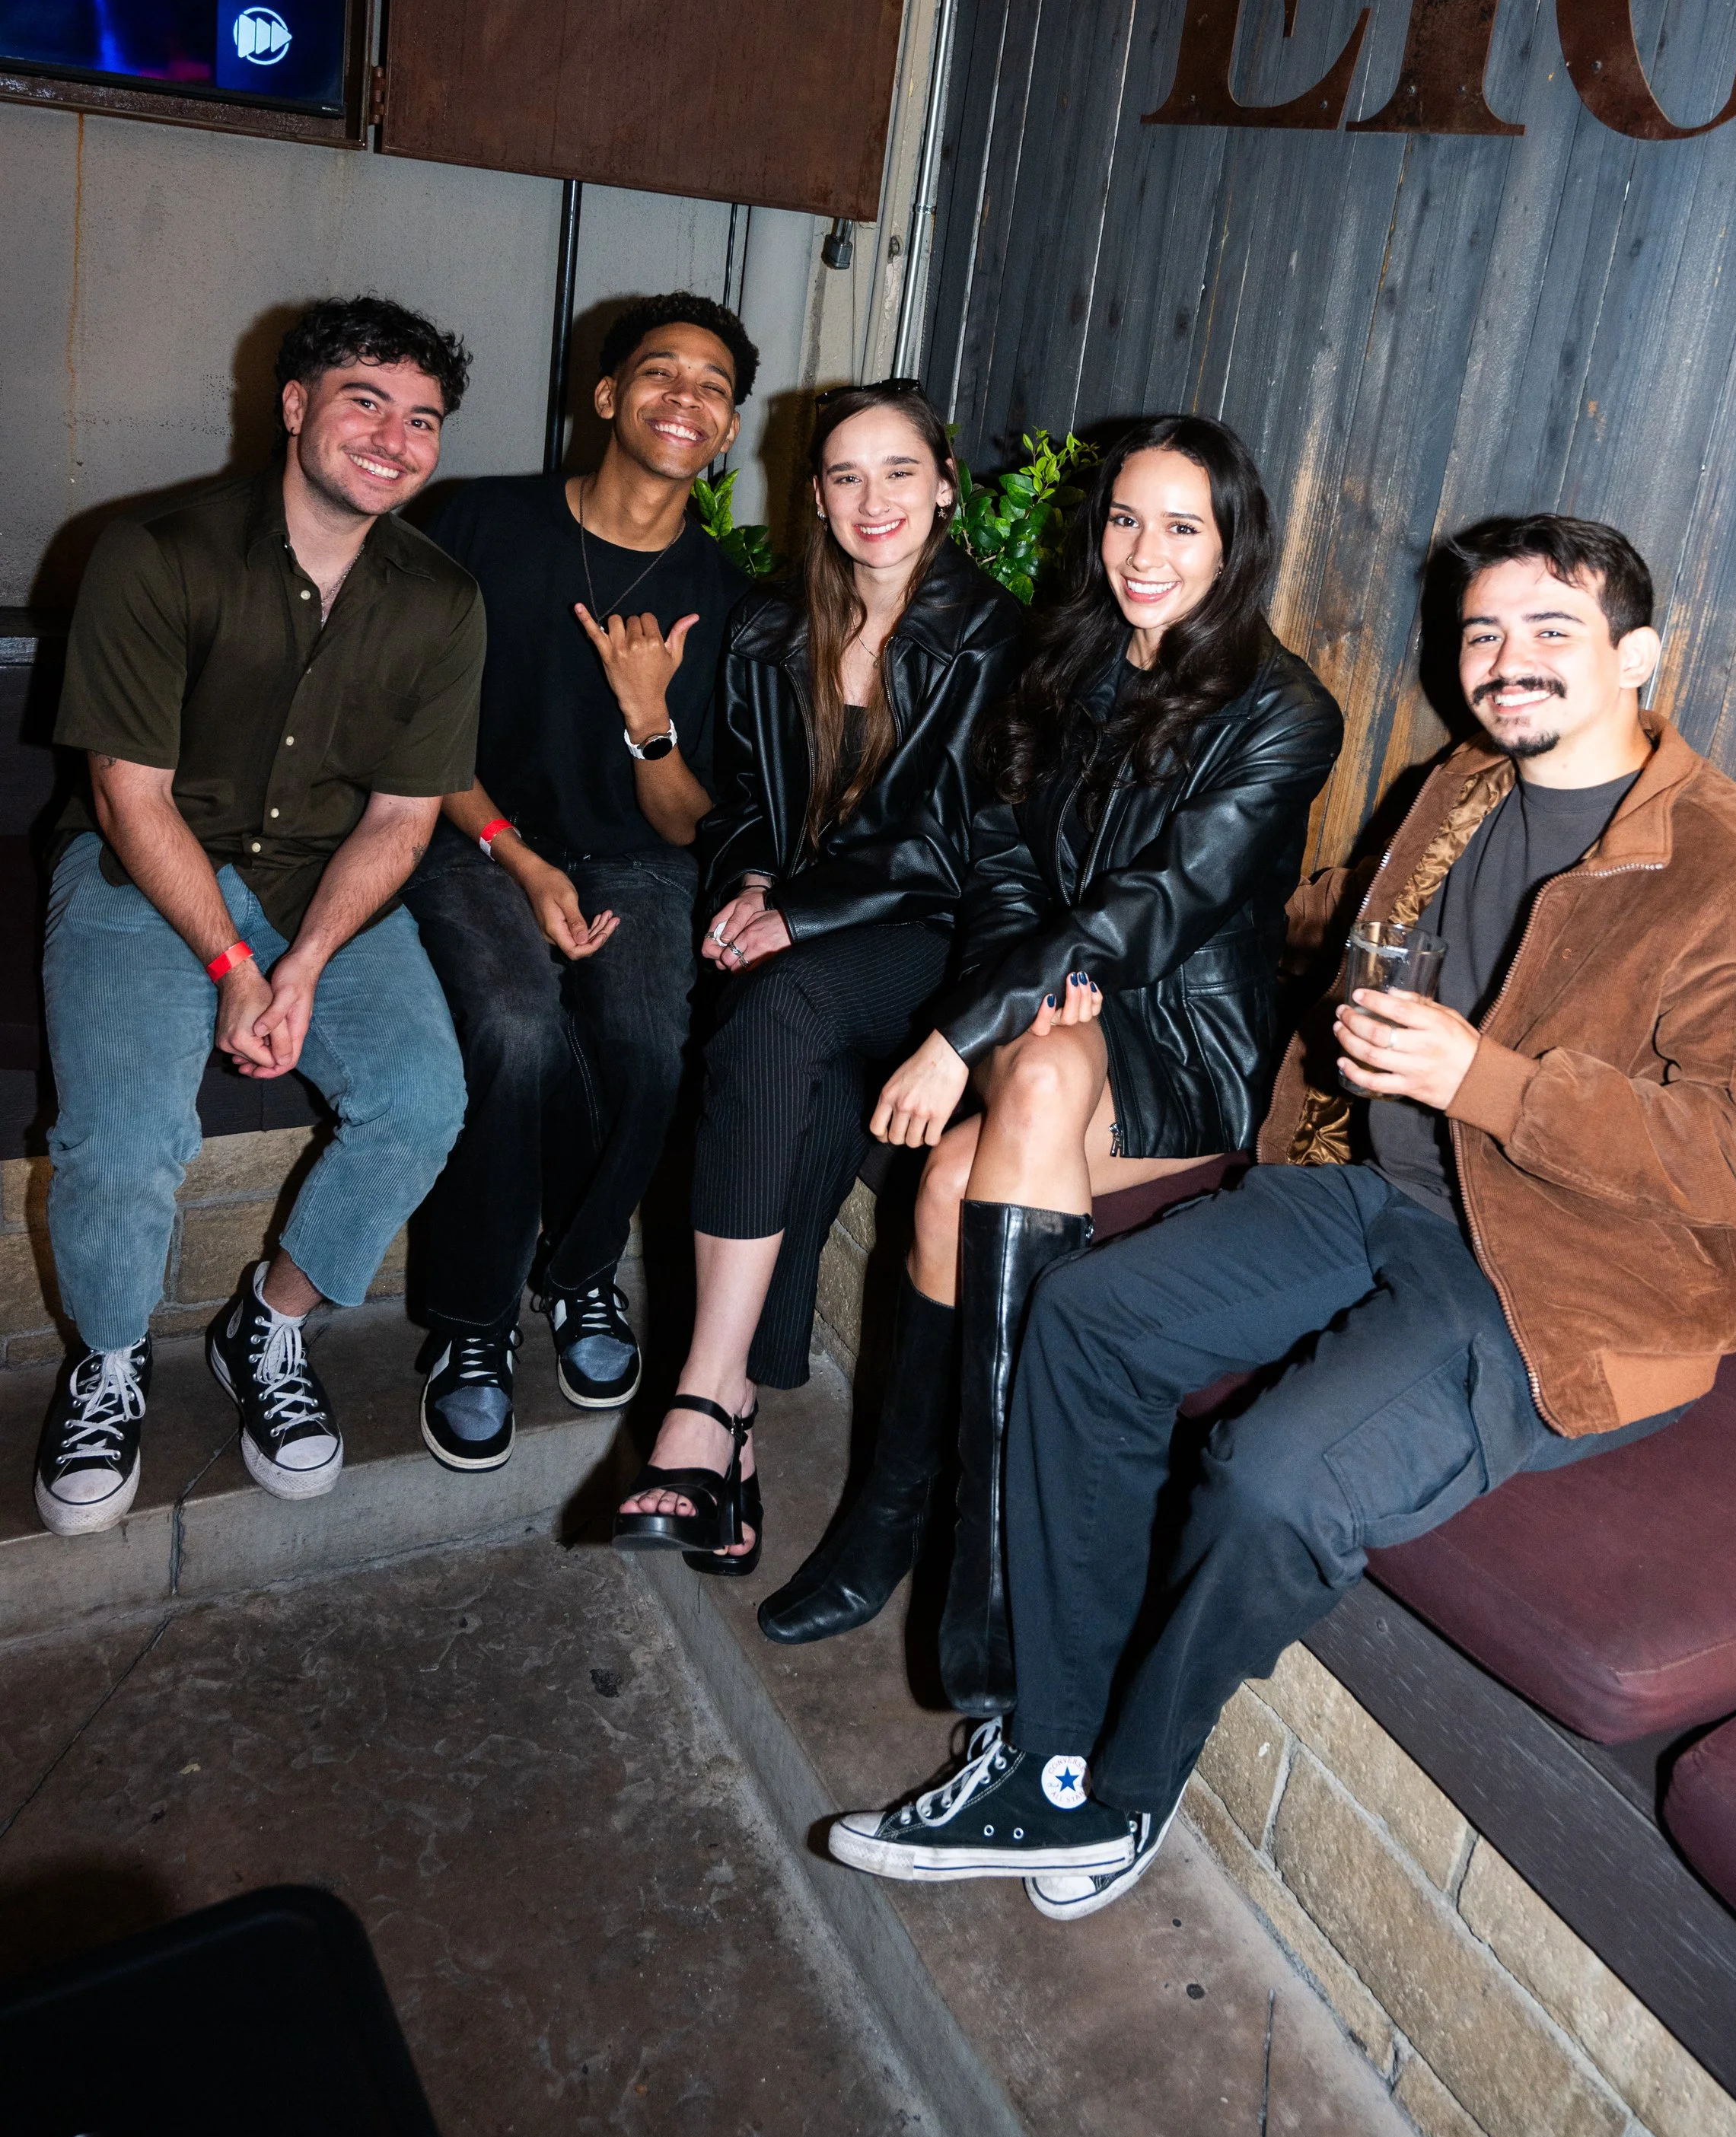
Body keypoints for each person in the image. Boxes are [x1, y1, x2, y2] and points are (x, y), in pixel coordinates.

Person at [823, 513, 1736, 1913]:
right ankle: (1049, 1754)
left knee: (1273, 1475)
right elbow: (1336, 926)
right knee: (1083, 1317)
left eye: (1552, 631)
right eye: (1485, 633)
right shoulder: (1467, 791)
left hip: (1573, 1276)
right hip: (1377, 1191)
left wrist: (1483, 1077)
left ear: (1639, 657)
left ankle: (1125, 1786)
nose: (1509, 660)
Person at [769, 416, 1343, 1690]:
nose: (1144, 551)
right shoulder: (1070, 655)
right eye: (1125, 519)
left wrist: (955, 1035)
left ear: (1234, 542)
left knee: (1010, 1095)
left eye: (1182, 526)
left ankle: (979, 1588)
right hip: (1053, 1008)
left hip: (1186, 1038)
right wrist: (1021, 994)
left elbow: (1160, 910)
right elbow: (1007, 855)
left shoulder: (1286, 711)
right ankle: (904, 1536)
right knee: (942, 1181)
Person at [33, 298, 483, 1537]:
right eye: (365, 401)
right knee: (125, 1141)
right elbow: (129, 796)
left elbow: (402, 817)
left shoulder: (443, 601)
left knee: (422, 1099)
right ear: (295, 406)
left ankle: (268, 1324)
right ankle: (109, 1363)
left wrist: (310, 963)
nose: (395, 437)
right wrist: (237, 966)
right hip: (144, 868)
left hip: (321, 880)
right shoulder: (157, 552)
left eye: (423, 419)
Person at [614, 381, 1022, 1575]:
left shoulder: (997, 638)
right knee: (800, 1065)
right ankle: (725, 1431)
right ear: (816, 498)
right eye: (845, 476)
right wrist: (749, 888)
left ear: (945, 485)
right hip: (808, 933)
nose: (872, 500)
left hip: (939, 936)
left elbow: (963, 841)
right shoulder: (769, 627)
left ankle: (702, 1396)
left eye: (899, 471)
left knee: (779, 1005)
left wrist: (793, 910)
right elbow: (744, 804)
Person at [404, 295, 758, 1470]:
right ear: (606, 397)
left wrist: (649, 716)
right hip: (474, 833)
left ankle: (581, 1271)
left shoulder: (728, 595)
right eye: (661, 372)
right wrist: (517, 853)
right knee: (514, 1027)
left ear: (727, 432)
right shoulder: (483, 524)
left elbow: (693, 820)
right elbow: (414, 725)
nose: (685, 398)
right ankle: (470, 1319)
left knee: (655, 1044)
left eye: (712, 387)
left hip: (639, 857)